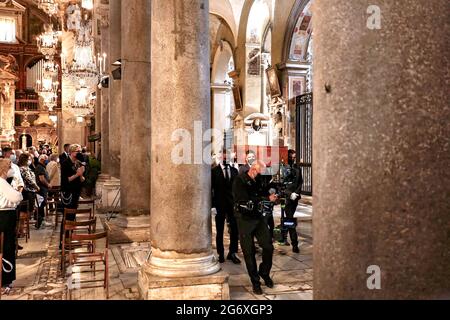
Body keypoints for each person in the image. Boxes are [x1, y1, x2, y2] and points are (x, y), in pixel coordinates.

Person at [233, 160, 277, 295]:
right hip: (245, 221)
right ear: (253, 170)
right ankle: (255, 282)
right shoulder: (239, 181)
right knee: (249, 252)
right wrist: (265, 199)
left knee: (268, 246)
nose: (261, 176)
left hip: (258, 219)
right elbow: (244, 200)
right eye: (259, 172)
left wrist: (272, 194)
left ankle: (264, 272)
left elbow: (263, 192)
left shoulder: (257, 180)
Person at [211, 149, 241, 264]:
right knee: (220, 230)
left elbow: (237, 189)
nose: (225, 159)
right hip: (219, 205)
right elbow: (210, 189)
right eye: (223, 157)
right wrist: (212, 205)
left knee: (234, 230)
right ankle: (220, 253)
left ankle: (232, 253)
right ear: (220, 158)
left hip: (232, 205)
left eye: (227, 157)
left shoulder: (234, 171)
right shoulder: (214, 171)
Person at [0, 159, 23, 295]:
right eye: (9, 167)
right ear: (4, 169)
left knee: (7, 246)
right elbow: (16, 197)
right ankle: (5, 280)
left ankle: (6, 280)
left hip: (6, 215)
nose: (11, 169)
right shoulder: (2, 183)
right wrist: (18, 193)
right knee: (6, 247)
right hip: (4, 216)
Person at [59, 144, 85, 248]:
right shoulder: (65, 163)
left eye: (80, 151)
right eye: (77, 151)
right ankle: (64, 241)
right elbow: (66, 180)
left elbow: (81, 178)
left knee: (73, 216)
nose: (79, 153)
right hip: (68, 193)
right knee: (67, 216)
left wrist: (82, 176)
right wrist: (77, 175)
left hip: (76, 192)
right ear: (71, 152)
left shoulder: (77, 163)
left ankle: (70, 238)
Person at [280, 150, 303, 253]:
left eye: (294, 157)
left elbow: (300, 181)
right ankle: (295, 243)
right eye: (291, 157)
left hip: (295, 197)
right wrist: (290, 194)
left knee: (289, 218)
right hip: (287, 198)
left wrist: (296, 193)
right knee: (290, 219)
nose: (293, 159)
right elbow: (281, 184)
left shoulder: (297, 168)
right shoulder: (283, 168)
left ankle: (283, 235)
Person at [35, 155, 52, 229]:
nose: (47, 161)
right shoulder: (40, 167)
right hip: (41, 188)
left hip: (43, 188)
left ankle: (40, 220)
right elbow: (41, 178)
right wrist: (48, 184)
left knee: (42, 204)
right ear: (42, 160)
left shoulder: (41, 166)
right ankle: (40, 220)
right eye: (46, 160)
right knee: (42, 204)